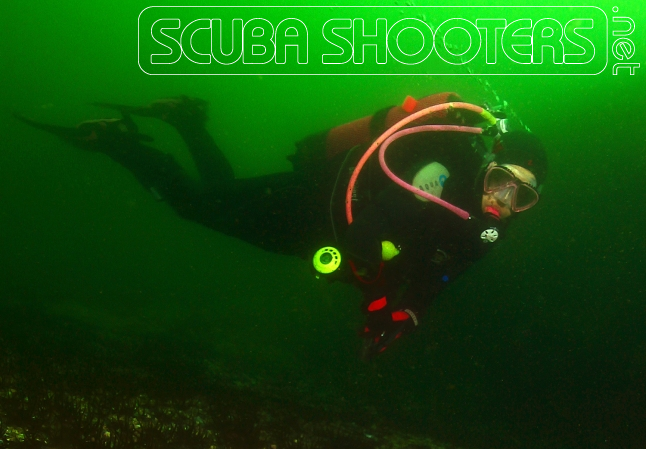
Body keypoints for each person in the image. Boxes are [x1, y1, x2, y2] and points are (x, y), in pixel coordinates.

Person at [17, 92, 547, 357]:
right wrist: (378, 298)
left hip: (312, 233)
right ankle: (117, 141)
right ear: (487, 165)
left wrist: (409, 313)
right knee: (195, 205)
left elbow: (440, 273)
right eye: (501, 180)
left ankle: (187, 119)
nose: (502, 199)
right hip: (309, 206)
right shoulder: (438, 175)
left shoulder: (485, 231)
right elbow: (367, 235)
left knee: (216, 198)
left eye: (520, 195)